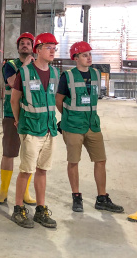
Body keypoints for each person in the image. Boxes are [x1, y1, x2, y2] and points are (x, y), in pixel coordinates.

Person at [55, 41, 123, 213]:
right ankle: (76, 197)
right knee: (74, 161)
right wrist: (68, 117)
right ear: (76, 58)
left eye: (89, 54)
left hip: (92, 124)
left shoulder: (96, 73)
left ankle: (102, 198)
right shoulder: (67, 76)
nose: (89, 57)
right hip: (73, 126)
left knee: (100, 160)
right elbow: (59, 100)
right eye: (85, 55)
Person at [10, 33, 59, 229]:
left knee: (42, 170)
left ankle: (40, 209)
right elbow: (15, 100)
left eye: (54, 47)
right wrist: (17, 121)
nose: (53, 50)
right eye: (49, 47)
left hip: (48, 129)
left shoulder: (55, 73)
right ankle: (18, 208)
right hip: (30, 128)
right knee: (26, 170)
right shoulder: (25, 72)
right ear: (38, 50)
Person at [0, 32, 36, 206]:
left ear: (33, 47)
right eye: (22, 43)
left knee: (29, 155)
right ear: (18, 47)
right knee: (9, 153)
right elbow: (12, 82)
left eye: (28, 43)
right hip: (12, 114)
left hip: (31, 116)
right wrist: (25, 65)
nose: (25, 45)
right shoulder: (9, 65)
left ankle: (25, 193)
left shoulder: (38, 66)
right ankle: (3, 192)